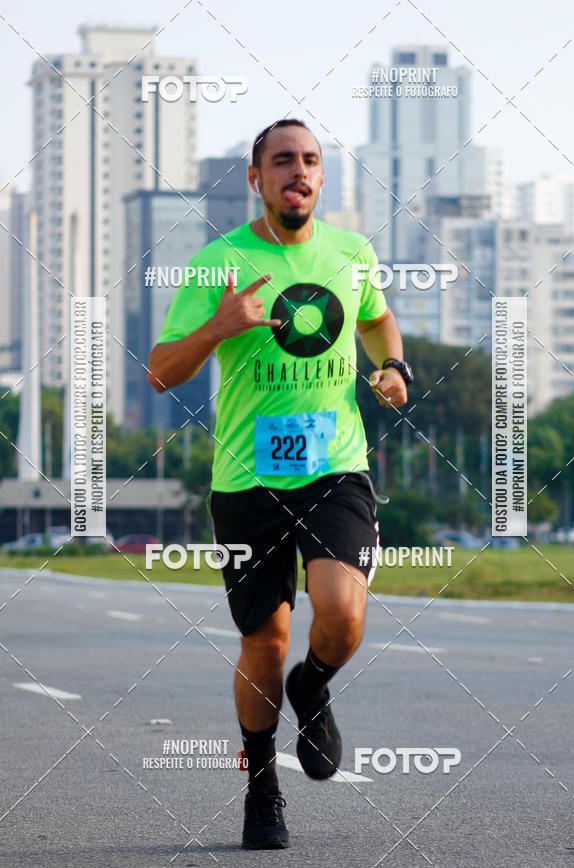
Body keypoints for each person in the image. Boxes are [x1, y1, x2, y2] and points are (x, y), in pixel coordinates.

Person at [147, 118, 411, 850]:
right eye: (283, 161)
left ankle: (314, 685)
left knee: (343, 614)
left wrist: (396, 369)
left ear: (321, 179)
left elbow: (379, 321)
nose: (299, 171)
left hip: (336, 469)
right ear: (257, 179)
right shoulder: (218, 261)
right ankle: (262, 788)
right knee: (263, 642)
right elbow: (161, 371)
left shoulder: (352, 253)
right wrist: (219, 327)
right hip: (246, 482)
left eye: (312, 161)